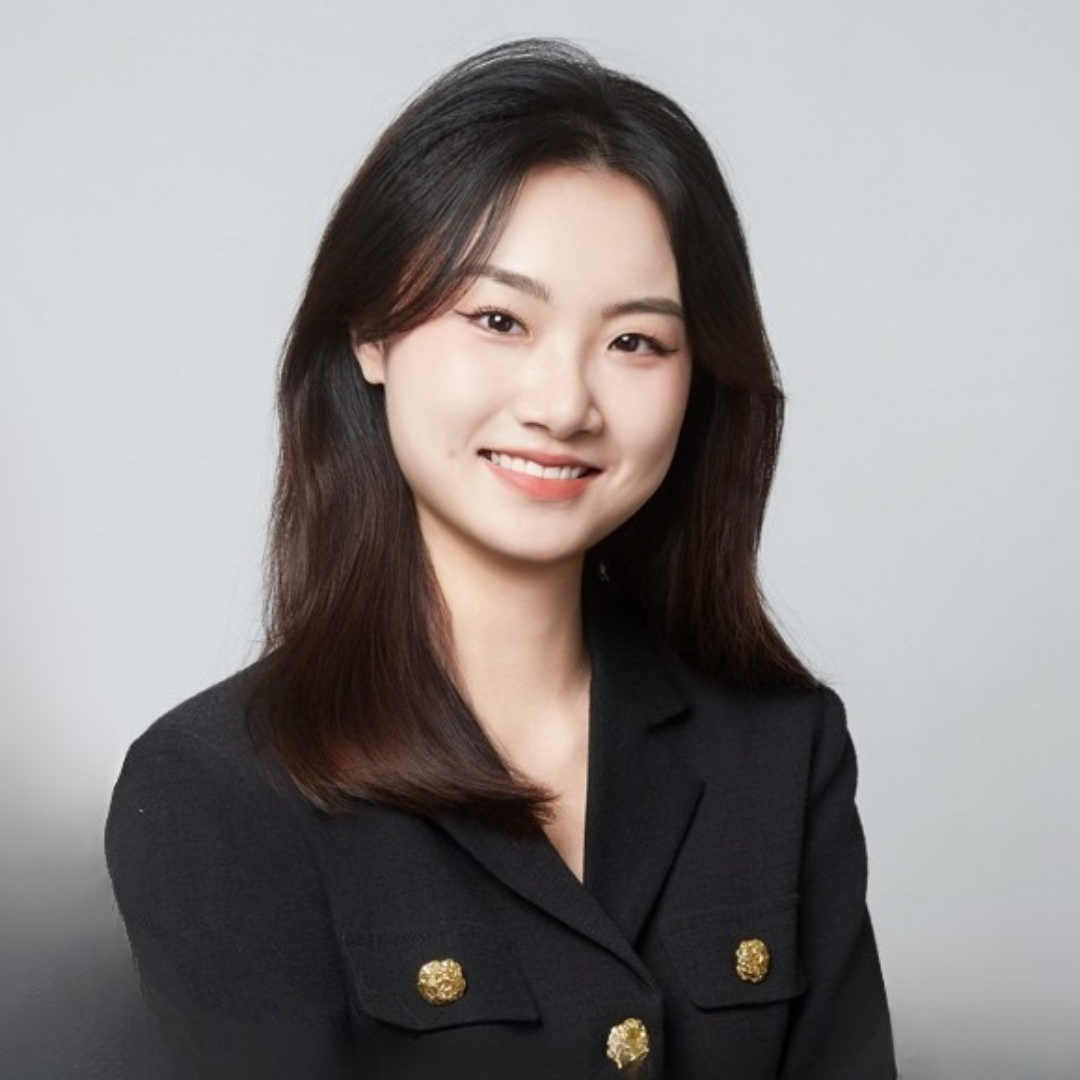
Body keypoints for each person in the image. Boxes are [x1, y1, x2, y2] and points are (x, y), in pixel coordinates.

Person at [105, 38, 896, 1080]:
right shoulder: (220, 792)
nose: (564, 402)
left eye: (637, 343)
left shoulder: (781, 748)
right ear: (373, 334)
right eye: (498, 319)